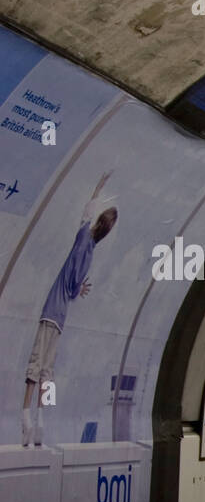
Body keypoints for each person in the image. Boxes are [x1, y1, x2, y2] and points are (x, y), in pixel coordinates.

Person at [22, 171, 118, 446]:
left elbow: (87, 210)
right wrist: (80, 290)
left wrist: (99, 187)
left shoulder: (81, 238)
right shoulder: (90, 254)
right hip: (62, 316)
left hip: (50, 310)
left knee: (34, 365)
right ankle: (41, 419)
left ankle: (25, 418)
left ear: (98, 222)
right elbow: (76, 287)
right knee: (47, 371)